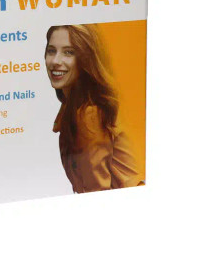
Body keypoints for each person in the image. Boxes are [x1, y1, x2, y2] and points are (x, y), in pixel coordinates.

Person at [45, 24, 142, 192]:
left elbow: (96, 191)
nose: (55, 61)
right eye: (51, 51)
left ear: (86, 59)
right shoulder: (72, 108)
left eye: (69, 52)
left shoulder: (89, 114)